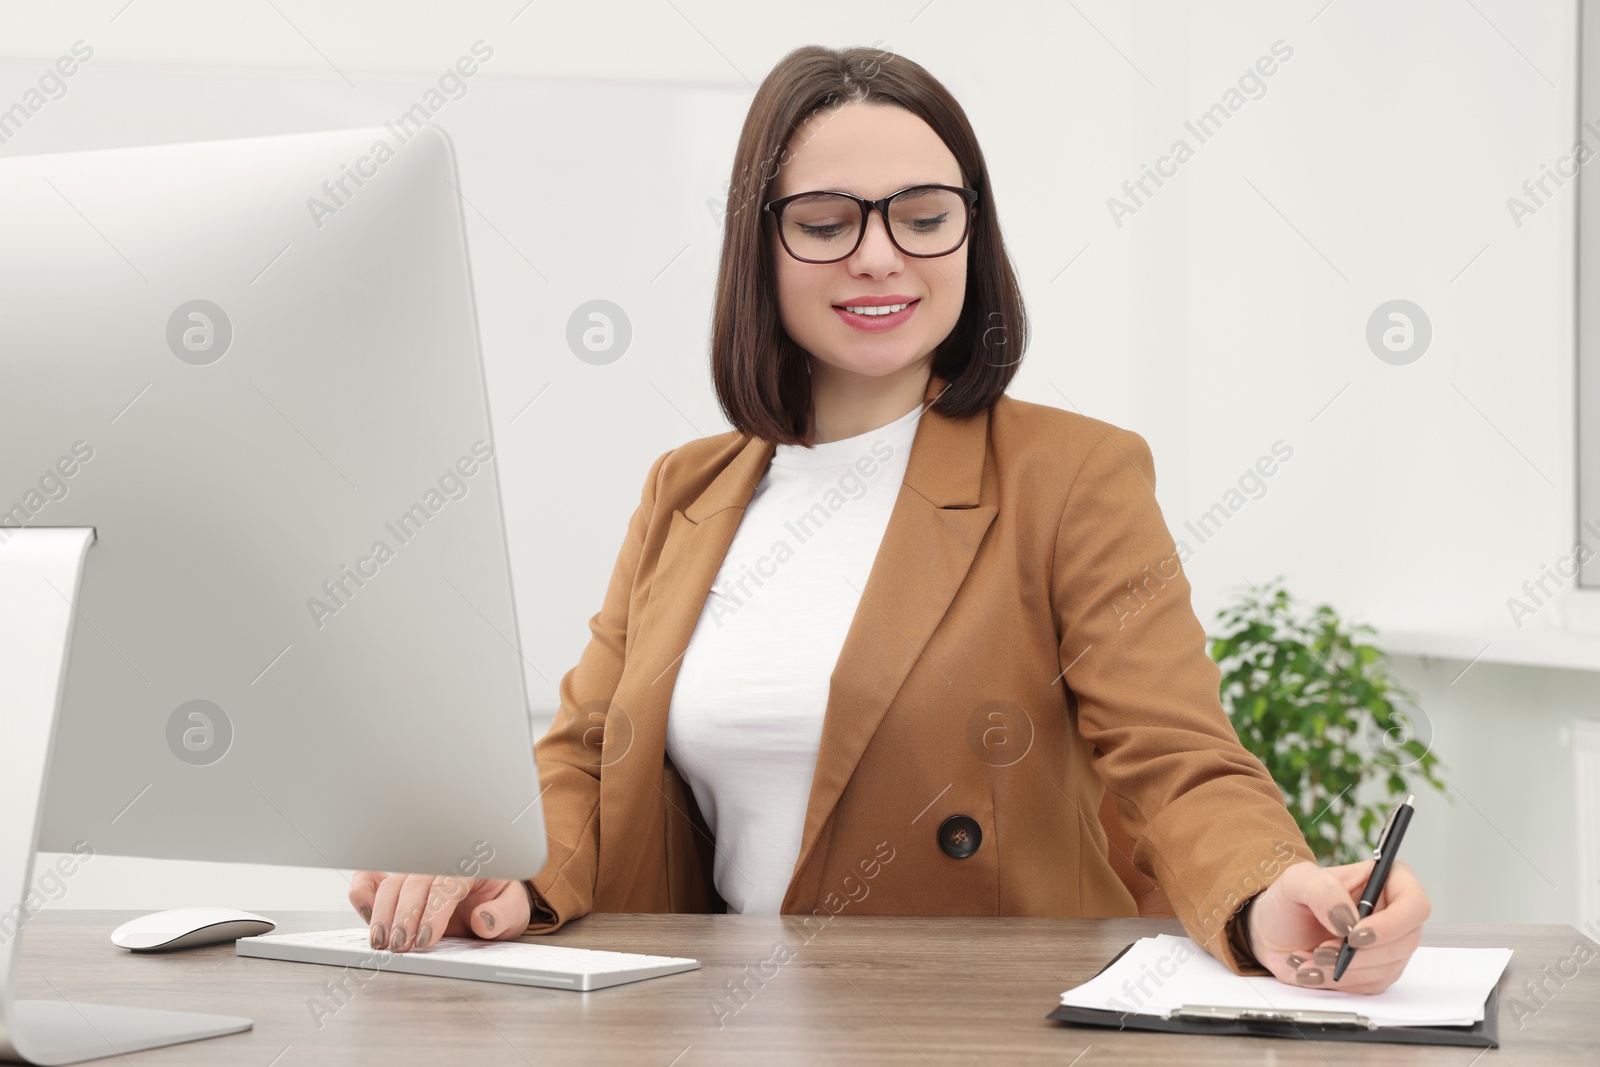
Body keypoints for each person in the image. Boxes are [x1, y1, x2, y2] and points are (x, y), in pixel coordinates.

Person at [350, 44, 1429, 993]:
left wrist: (1267, 888)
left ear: (971, 233)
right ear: (759, 247)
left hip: (973, 1021)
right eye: (826, 222)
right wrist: (490, 857)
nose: (879, 255)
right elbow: (585, 759)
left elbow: (1174, 761)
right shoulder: (686, 488)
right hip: (705, 1017)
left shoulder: (1073, 474)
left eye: (923, 216)